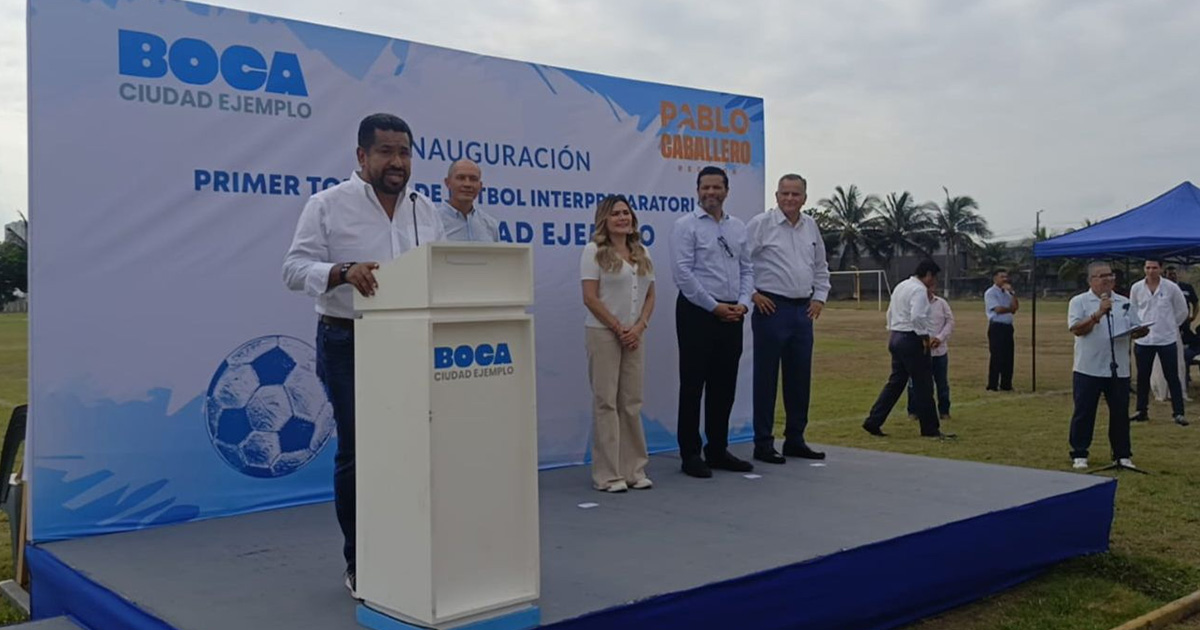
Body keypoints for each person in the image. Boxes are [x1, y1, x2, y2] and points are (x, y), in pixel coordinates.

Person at [282, 113, 446, 598]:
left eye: (404, 152)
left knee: (414, 451)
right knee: (360, 454)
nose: (397, 162)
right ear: (361, 156)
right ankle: (361, 561)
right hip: (348, 340)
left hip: (412, 342)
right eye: (386, 152)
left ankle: (408, 549)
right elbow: (293, 269)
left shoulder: (425, 209)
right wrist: (342, 271)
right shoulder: (327, 205)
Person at [671, 165, 755, 478]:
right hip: (697, 312)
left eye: (716, 188)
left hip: (732, 314)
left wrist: (743, 305)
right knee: (693, 384)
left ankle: (717, 449)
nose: (711, 193)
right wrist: (713, 306)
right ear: (697, 191)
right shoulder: (685, 226)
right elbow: (683, 273)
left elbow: (747, 269)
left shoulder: (738, 227)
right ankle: (691, 453)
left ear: (726, 191)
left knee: (725, 385)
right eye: (705, 188)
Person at [745, 174, 830, 464]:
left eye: (795, 194)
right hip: (772, 308)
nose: (789, 199)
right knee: (766, 379)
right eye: (785, 194)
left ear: (805, 197)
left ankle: (795, 439)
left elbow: (821, 267)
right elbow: (741, 263)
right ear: (776, 195)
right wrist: (753, 294)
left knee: (799, 378)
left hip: (802, 310)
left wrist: (819, 297)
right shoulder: (761, 224)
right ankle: (764, 442)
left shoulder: (811, 227)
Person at [580, 195, 656, 493]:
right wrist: (618, 327)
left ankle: (634, 470)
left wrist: (638, 328)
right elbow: (589, 296)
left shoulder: (642, 251)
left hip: (635, 336)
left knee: (631, 402)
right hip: (603, 333)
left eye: (626, 213)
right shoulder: (593, 251)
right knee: (606, 402)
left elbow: (651, 295)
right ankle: (608, 475)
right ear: (605, 220)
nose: (622, 218)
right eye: (615, 214)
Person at [1067, 261, 1148, 469]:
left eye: (1110, 275)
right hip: (1088, 366)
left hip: (1118, 367)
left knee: (1120, 413)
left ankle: (1122, 454)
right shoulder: (1079, 301)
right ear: (1091, 280)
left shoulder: (1123, 301)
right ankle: (1079, 452)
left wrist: (1140, 331)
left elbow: (1134, 325)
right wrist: (1098, 314)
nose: (1107, 280)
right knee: (1084, 411)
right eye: (1102, 276)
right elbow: (1076, 329)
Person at [862, 260, 954, 439]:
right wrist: (924, 337)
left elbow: (890, 311)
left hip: (896, 336)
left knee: (895, 383)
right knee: (924, 384)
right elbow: (917, 316)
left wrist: (892, 329)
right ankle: (930, 429)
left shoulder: (902, 285)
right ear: (927, 274)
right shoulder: (919, 290)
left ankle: (873, 421)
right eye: (933, 278)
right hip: (912, 339)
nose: (934, 282)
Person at [1130, 259, 1189, 426]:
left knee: (1172, 376)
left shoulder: (1171, 287)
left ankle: (1178, 412)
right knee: (1142, 377)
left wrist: (1170, 325)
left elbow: (1182, 310)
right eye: (1148, 267)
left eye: (1154, 268)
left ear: (1161, 269)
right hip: (1144, 339)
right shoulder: (1137, 288)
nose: (1151, 271)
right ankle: (1141, 410)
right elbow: (1133, 310)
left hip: (1166, 339)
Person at [906, 284, 955, 420]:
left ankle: (944, 411)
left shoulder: (941, 303)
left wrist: (939, 338)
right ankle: (913, 411)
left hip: (939, 351)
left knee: (942, 383)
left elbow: (950, 322)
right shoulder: (914, 304)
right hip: (919, 351)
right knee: (914, 382)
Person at [437, 159, 500, 242]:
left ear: (480, 186)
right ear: (447, 182)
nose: (467, 184)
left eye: (473, 179)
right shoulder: (435, 220)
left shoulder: (490, 225)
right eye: (461, 178)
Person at [984, 269, 1018, 391]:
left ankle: (1006, 384)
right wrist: (1010, 309)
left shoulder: (1007, 293)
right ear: (995, 279)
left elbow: (1015, 307)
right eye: (1001, 277)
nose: (1005, 279)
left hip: (1008, 327)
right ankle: (992, 384)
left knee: (1009, 356)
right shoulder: (990, 293)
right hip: (997, 327)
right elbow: (997, 309)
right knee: (997, 356)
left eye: (1006, 277)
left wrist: (1013, 293)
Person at [1165, 266, 1196, 387]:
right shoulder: (1163, 288)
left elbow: (1195, 302)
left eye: (1174, 274)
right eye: (1169, 274)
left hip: (1184, 324)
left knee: (1186, 351)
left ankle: (1185, 376)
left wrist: (1193, 315)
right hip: (1169, 326)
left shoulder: (1186, 287)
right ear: (1165, 274)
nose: (1172, 276)